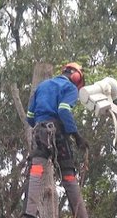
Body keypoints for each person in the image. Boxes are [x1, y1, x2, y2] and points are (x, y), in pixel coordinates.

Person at [22, 62, 89, 218]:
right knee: (68, 173)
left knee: (37, 169)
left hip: (39, 131)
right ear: (76, 76)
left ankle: (29, 213)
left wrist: (42, 122)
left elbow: (30, 118)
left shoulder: (42, 86)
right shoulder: (70, 88)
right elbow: (64, 109)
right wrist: (77, 136)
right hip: (57, 132)